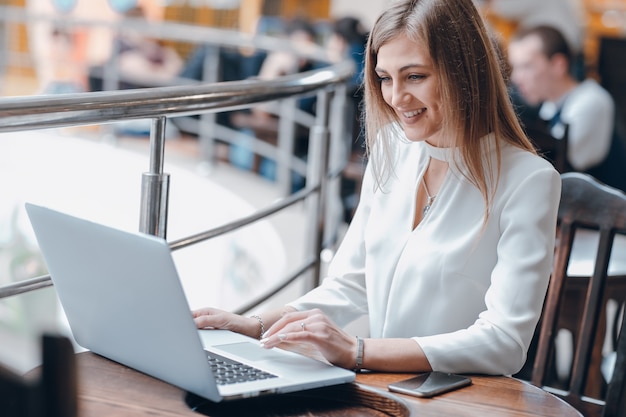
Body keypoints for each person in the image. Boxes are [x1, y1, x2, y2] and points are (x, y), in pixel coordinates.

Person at [193, 0, 561, 375]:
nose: (396, 97)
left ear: (464, 73)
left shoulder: (528, 181)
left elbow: (504, 342)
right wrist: (255, 325)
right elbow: (351, 284)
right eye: (385, 78)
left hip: (460, 397)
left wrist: (358, 351)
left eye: (415, 76)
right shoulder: (391, 147)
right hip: (385, 386)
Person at [508, 25, 626, 191]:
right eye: (515, 67)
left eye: (527, 66)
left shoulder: (591, 101)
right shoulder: (549, 106)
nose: (516, 78)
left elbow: (560, 165)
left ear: (558, 65)